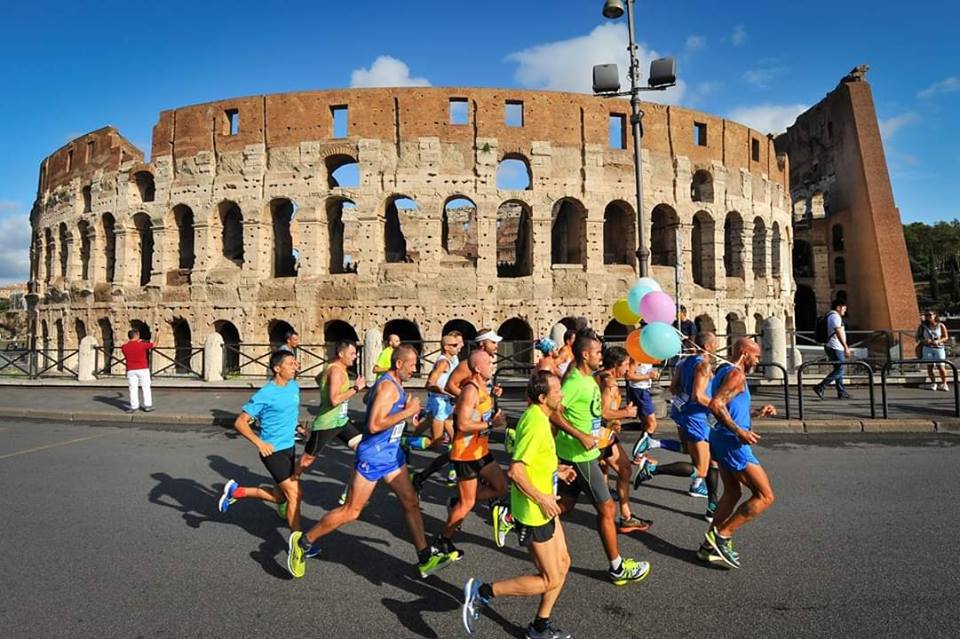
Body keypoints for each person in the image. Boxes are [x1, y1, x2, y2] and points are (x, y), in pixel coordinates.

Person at [286, 344, 454, 579]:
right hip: (373, 457)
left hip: (392, 456)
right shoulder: (388, 386)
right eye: (412, 364)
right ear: (399, 364)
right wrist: (405, 412)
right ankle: (303, 542)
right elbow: (374, 425)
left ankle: (425, 558)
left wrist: (403, 410)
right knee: (351, 511)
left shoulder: (390, 384)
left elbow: (367, 398)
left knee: (410, 502)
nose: (415, 369)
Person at [462, 370, 576, 639]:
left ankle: (539, 626)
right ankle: (482, 592)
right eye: (557, 391)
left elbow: (532, 460)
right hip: (535, 511)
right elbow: (515, 471)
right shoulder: (536, 423)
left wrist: (555, 469)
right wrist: (542, 497)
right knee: (550, 578)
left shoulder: (540, 417)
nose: (561, 394)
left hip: (545, 505)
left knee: (564, 563)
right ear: (542, 397)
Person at [552, 330, 651, 586]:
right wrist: (580, 435)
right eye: (597, 352)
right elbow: (552, 412)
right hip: (580, 454)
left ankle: (515, 516)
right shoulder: (575, 382)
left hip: (581, 451)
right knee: (607, 508)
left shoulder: (587, 378)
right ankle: (617, 567)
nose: (601, 356)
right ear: (586, 355)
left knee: (566, 504)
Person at [698, 338, 776, 569]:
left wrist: (757, 412)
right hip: (732, 442)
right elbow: (715, 404)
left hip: (722, 438)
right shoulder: (736, 374)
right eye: (756, 356)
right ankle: (723, 536)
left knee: (732, 493)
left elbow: (729, 407)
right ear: (744, 353)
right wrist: (739, 431)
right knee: (765, 496)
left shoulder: (725, 370)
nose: (758, 360)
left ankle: (706, 548)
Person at [434, 350, 510, 557]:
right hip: (465, 454)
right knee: (467, 503)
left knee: (501, 487)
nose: (492, 364)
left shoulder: (483, 387)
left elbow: (480, 409)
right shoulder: (470, 390)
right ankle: (443, 539)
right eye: (488, 362)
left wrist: (493, 397)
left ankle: (457, 503)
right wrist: (490, 423)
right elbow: (463, 423)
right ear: (477, 368)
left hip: (480, 450)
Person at [218, 350, 302, 531]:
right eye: (290, 364)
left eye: (295, 363)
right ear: (277, 368)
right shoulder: (265, 394)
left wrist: (298, 427)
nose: (294, 367)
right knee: (295, 494)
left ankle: (237, 491)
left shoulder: (294, 386)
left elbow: (289, 412)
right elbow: (240, 423)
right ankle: (300, 544)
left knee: (279, 497)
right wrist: (259, 443)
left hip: (290, 447)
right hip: (272, 451)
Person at [413, 329, 503, 490]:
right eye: (493, 342)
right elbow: (450, 385)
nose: (496, 346)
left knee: (459, 450)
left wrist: (490, 393)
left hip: (477, 415)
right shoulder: (468, 364)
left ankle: (425, 476)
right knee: (458, 449)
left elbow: (479, 389)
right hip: (465, 414)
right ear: (483, 344)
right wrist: (469, 399)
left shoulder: (484, 362)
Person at [293, 340, 365, 487]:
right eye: (352, 353)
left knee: (364, 449)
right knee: (307, 459)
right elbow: (334, 400)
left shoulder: (332, 366)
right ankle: (288, 483)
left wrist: (325, 386)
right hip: (327, 423)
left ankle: (352, 489)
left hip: (341, 421)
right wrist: (356, 388)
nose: (355, 356)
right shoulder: (337, 371)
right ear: (341, 354)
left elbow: (318, 378)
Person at [595, 346, 652, 534]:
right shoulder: (609, 382)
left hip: (605, 435)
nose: (628, 369)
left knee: (625, 469)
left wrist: (617, 418)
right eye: (626, 364)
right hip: (598, 436)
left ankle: (627, 517)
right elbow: (603, 412)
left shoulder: (601, 375)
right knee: (568, 491)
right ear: (615, 365)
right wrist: (625, 413)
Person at [813, 300, 853, 400]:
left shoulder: (830, 315)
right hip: (835, 347)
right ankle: (821, 386)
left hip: (831, 346)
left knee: (838, 369)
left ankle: (841, 392)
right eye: (844, 308)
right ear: (838, 307)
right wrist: (845, 347)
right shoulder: (835, 316)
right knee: (841, 369)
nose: (845, 310)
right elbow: (838, 331)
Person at [121, 326, 157, 413]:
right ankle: (147, 406)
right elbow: (155, 344)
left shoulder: (124, 347)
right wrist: (158, 335)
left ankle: (134, 406)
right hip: (143, 368)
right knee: (146, 387)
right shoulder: (141, 345)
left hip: (131, 370)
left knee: (133, 389)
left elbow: (128, 351)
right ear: (136, 336)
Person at [623, 358, 660, 434]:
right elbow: (629, 375)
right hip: (640, 390)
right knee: (652, 424)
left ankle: (644, 444)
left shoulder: (646, 356)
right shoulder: (637, 357)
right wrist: (648, 376)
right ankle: (644, 444)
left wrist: (653, 374)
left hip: (643, 390)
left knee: (646, 423)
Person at [918, 310, 950, 391]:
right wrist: (925, 340)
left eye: (930, 315)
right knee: (930, 366)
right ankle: (933, 383)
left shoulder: (941, 325)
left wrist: (938, 341)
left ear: (935, 315)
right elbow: (919, 337)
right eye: (927, 315)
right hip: (927, 347)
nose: (929, 316)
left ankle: (944, 383)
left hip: (939, 348)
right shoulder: (923, 326)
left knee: (941, 366)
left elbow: (946, 337)